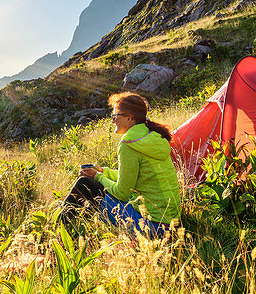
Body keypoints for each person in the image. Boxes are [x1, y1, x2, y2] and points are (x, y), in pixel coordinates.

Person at [61, 92, 181, 238]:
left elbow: (122, 193)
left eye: (115, 117)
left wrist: (98, 177)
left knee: (85, 184)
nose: (112, 121)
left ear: (129, 118)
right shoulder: (153, 136)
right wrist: (103, 171)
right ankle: (80, 237)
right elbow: (132, 178)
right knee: (94, 189)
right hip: (172, 225)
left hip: (152, 228)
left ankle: (56, 235)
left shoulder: (129, 144)